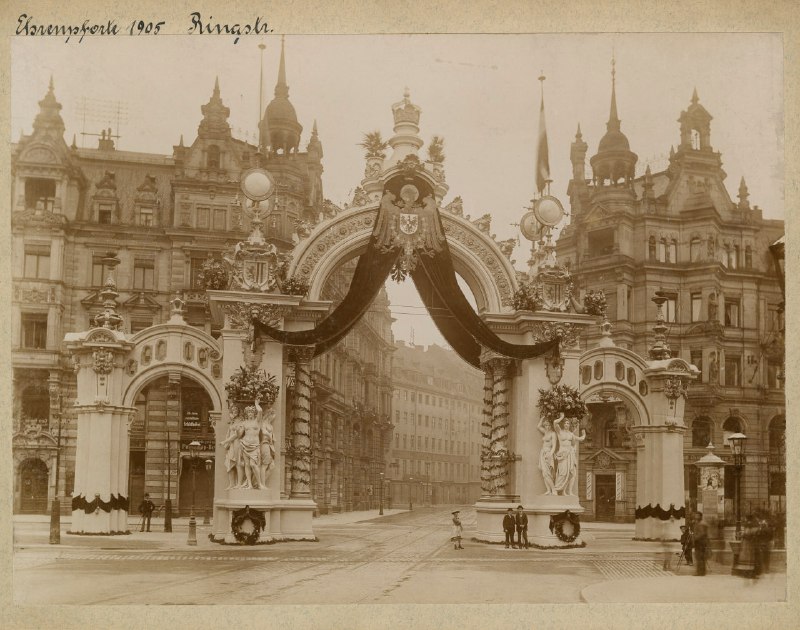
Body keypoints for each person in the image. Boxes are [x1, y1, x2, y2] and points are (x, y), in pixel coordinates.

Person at [537, 416, 557, 495]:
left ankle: (553, 489)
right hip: (542, 453)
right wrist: (543, 417)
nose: (547, 427)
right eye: (546, 425)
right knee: (544, 472)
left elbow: (554, 446)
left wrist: (550, 454)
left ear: (551, 425)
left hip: (548, 453)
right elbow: (538, 426)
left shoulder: (553, 434)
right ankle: (548, 490)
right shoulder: (545, 432)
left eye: (548, 425)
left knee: (547, 473)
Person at [693, 512, 709, 576]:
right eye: (695, 516)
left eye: (697, 516)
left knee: (700, 557)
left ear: (700, 516)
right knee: (700, 557)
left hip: (700, 543)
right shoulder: (699, 523)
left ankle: (700, 572)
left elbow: (702, 533)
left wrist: (695, 538)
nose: (696, 517)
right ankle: (701, 572)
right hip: (701, 542)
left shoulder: (701, 524)